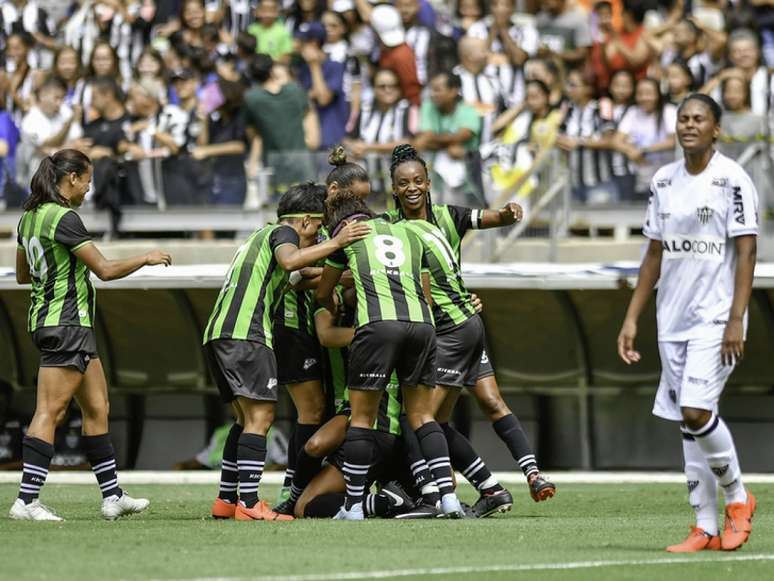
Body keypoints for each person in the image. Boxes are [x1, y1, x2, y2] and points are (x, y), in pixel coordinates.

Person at [617, 94, 758, 553]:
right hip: (670, 318)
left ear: (716, 129)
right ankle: (705, 526)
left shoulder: (732, 180)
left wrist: (736, 317)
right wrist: (632, 317)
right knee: (688, 423)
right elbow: (653, 253)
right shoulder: (663, 180)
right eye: (683, 118)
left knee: (697, 411)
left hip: (715, 318)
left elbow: (747, 249)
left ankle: (738, 499)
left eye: (699, 119)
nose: (689, 125)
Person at [384, 144, 556, 504]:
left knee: (429, 416)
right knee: (459, 413)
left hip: (448, 331)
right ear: (394, 189)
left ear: (429, 183)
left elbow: (490, 218)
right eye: (404, 183)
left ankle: (442, 491)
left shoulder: (449, 216)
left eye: (418, 180)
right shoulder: (389, 228)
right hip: (449, 326)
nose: (412, 187)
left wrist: (509, 214)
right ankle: (501, 484)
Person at [10, 149, 172, 521]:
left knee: (97, 408)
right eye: (87, 179)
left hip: (57, 322)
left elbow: (22, 275)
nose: (88, 187)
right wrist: (145, 258)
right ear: (70, 179)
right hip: (66, 323)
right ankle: (26, 501)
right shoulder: (64, 217)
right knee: (50, 410)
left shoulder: (29, 218)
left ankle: (112, 495)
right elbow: (106, 270)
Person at [204, 184, 371, 522]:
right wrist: (337, 243)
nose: (315, 240)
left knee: (243, 419)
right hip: (247, 333)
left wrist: (345, 274)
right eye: (316, 232)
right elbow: (293, 259)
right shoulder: (284, 233)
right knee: (261, 418)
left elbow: (300, 274)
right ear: (306, 222)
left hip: (220, 332)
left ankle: (226, 499)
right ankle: (250, 504)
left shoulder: (260, 236)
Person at [315, 194, 465, 520]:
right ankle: (448, 499)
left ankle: (353, 507)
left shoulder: (349, 236)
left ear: (340, 223)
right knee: (423, 416)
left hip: (378, 326)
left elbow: (323, 293)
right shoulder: (410, 233)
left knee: (361, 418)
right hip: (422, 325)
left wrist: (335, 302)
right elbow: (425, 294)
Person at [415, 71, 482, 206]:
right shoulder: (428, 107)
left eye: (438, 90)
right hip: (436, 177)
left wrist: (433, 140)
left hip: (469, 179)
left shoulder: (468, 110)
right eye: (432, 89)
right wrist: (450, 143)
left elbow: (464, 135)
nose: (433, 94)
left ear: (453, 91)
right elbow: (423, 139)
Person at [614, 77, 677, 198]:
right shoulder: (633, 112)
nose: (644, 98)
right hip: (640, 180)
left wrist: (643, 151)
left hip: (667, 180)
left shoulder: (669, 111)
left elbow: (672, 141)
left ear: (658, 95)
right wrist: (631, 151)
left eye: (649, 93)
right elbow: (616, 141)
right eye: (640, 94)